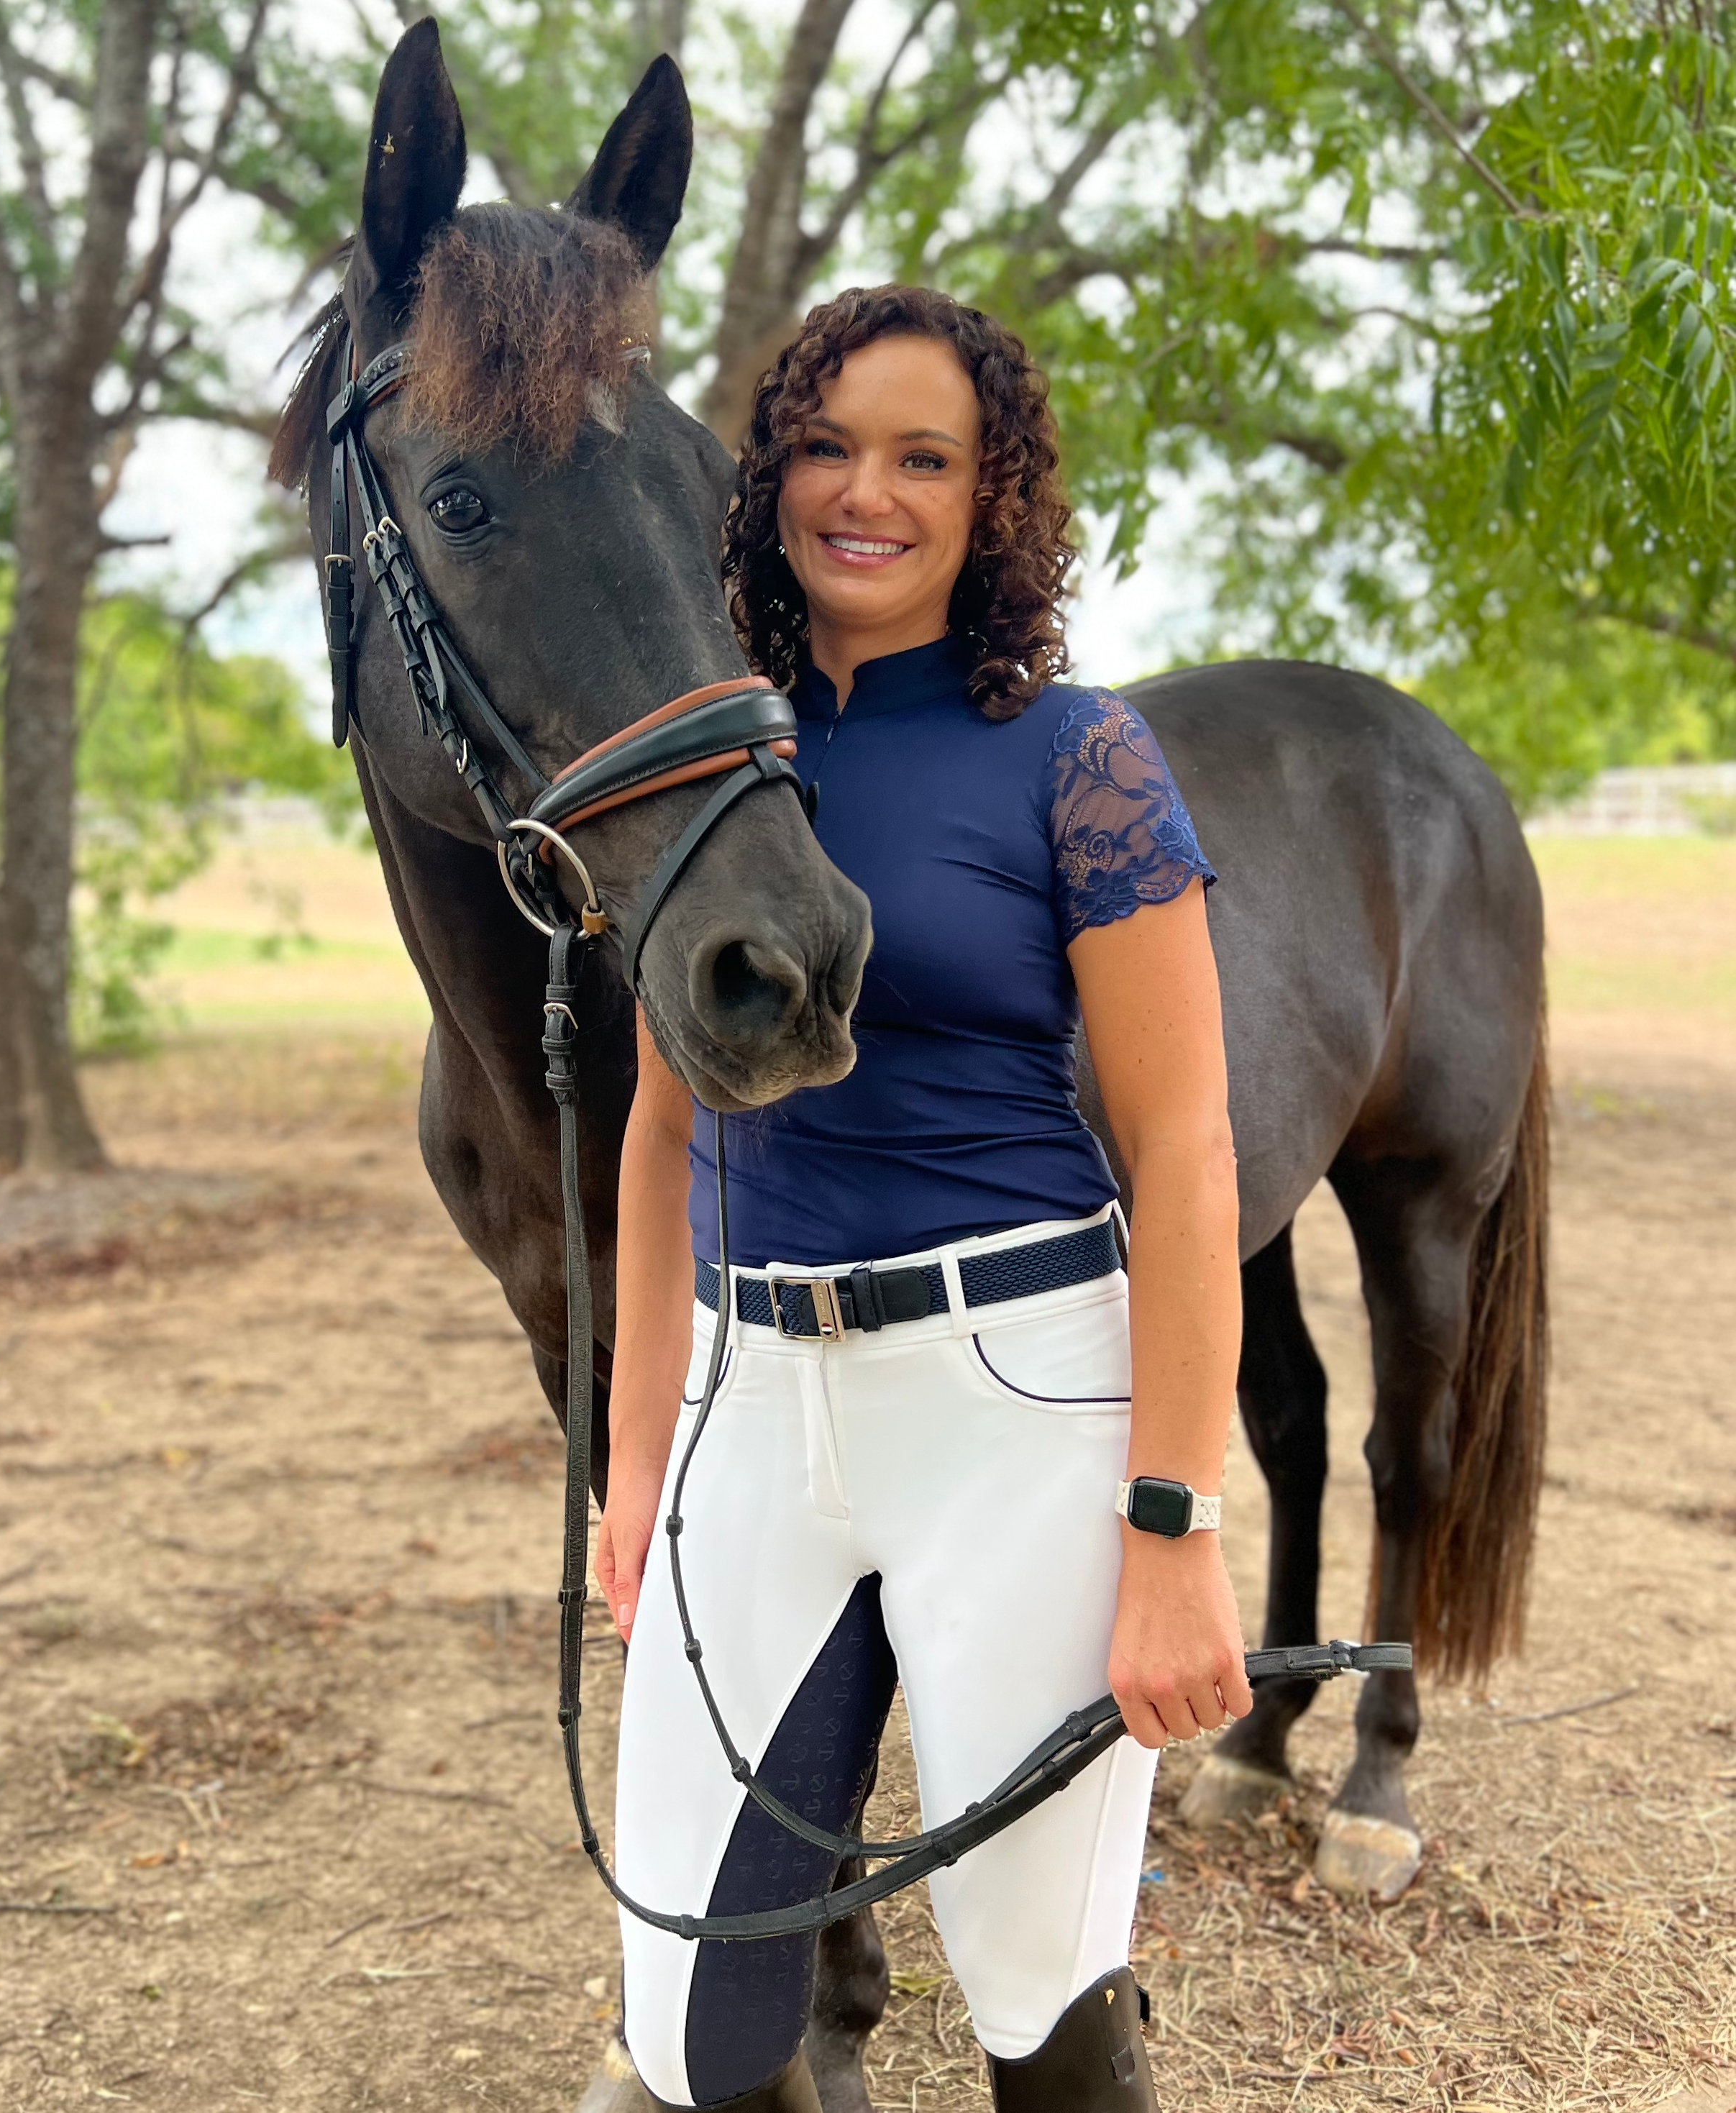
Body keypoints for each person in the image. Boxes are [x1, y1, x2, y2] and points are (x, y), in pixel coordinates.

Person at [594, 284, 1251, 2113]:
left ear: (990, 498)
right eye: (821, 444)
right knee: (689, 2026)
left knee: (1036, 1993)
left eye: (921, 456)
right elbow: (659, 1133)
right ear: (767, 474)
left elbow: (1183, 1149)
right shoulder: (710, 758)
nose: (860, 490)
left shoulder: (1074, 756)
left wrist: (1174, 1524)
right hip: (749, 1401)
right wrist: (636, 1461)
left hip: (1020, 1400)